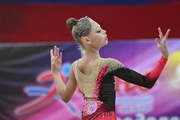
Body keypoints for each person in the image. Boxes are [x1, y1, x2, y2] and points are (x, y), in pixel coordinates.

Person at [50, 16, 170, 120]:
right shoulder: (108, 65)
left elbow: (65, 97)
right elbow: (147, 82)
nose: (104, 31)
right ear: (87, 40)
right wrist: (164, 57)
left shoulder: (75, 67)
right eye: (98, 31)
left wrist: (56, 73)